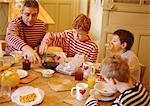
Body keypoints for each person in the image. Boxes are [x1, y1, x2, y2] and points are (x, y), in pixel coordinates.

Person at [85, 55, 149, 106]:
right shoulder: (141, 88)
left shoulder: (122, 102)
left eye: (106, 81)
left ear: (113, 81)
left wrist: (91, 103)